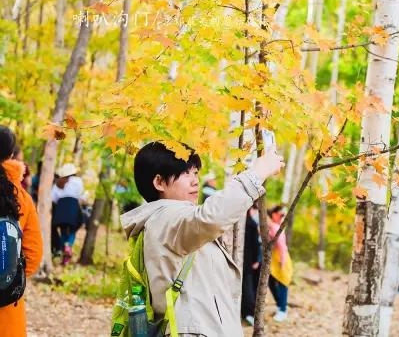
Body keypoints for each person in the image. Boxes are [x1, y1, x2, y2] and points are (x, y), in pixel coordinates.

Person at [120, 141, 284, 336]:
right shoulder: (164, 219)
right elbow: (212, 217)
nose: (195, 180)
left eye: (195, 173)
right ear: (159, 182)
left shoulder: (174, 222)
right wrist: (256, 173)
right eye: (185, 173)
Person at [0, 126, 43, 337]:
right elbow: (34, 254)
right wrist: (8, 277)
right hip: (7, 305)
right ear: (10, 155)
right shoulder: (22, 198)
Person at [51, 163, 85, 265]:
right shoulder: (78, 181)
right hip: (73, 206)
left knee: (63, 230)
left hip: (60, 207)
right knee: (73, 229)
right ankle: (68, 246)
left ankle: (63, 251)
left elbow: (53, 197)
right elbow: (80, 194)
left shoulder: (58, 183)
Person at [268, 204, 293, 322]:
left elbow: (282, 246)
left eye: (284, 215)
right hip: (276, 259)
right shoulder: (273, 226)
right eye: (281, 215)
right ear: (274, 214)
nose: (282, 217)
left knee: (283, 283)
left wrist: (282, 261)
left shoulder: (277, 226)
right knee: (271, 282)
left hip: (281, 259)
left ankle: (282, 310)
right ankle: (280, 306)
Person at [241, 203, 261, 325]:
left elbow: (255, 245)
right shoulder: (249, 223)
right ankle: (247, 313)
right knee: (247, 287)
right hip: (247, 261)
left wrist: (256, 261)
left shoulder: (249, 223)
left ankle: (249, 313)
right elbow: (256, 244)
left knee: (247, 287)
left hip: (247, 261)